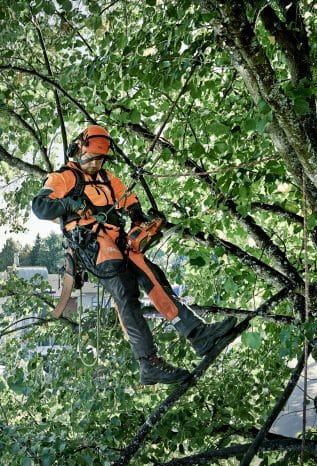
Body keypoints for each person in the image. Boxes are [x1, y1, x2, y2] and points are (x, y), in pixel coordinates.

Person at [32, 125, 236, 385]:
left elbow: (129, 200)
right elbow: (39, 206)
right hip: (90, 246)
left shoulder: (107, 178)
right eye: (91, 158)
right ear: (78, 150)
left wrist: (138, 218)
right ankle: (148, 363)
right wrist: (69, 203)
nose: (95, 164)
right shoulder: (64, 178)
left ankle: (198, 334)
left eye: (100, 159)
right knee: (126, 292)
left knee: (153, 276)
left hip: (116, 240)